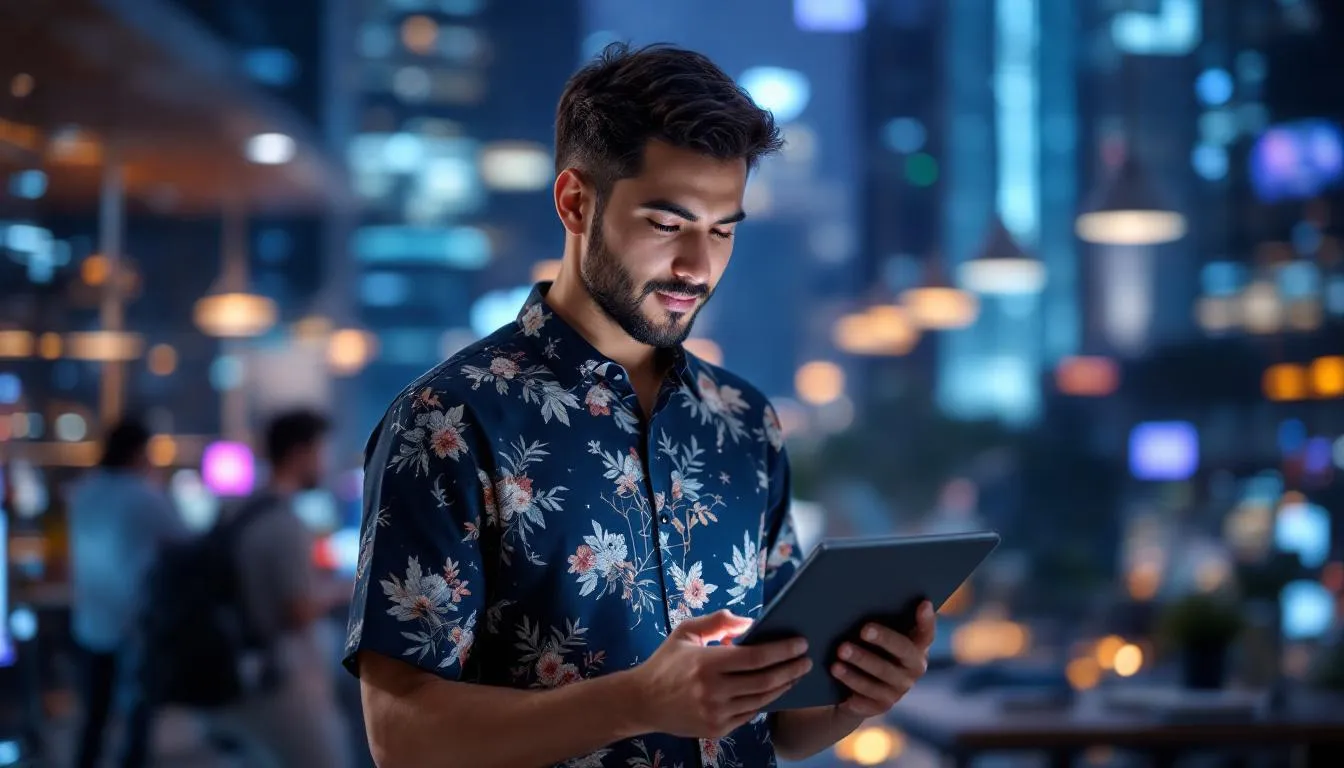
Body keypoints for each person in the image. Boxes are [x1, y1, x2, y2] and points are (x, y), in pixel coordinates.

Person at [345, 43, 936, 768]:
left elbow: (781, 723)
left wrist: (856, 698)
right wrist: (639, 702)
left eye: (723, 230)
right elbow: (401, 740)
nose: (698, 266)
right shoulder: (448, 420)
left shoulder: (745, 423)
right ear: (575, 202)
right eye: (667, 224)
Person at [212, 409, 352, 768]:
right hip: (279, 679)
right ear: (300, 453)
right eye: (323, 452)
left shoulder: (239, 510)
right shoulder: (284, 522)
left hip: (235, 670)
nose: (326, 463)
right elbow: (298, 610)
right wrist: (346, 590)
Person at [68, 418, 185, 768]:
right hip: (135, 622)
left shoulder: (82, 491)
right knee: (137, 717)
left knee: (94, 715)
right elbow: (184, 542)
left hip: (90, 619)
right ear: (139, 452)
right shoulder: (143, 496)